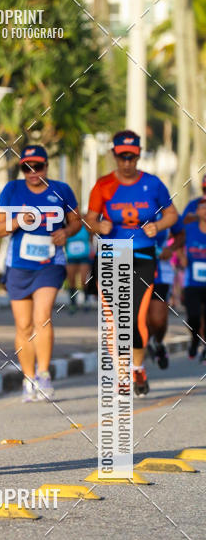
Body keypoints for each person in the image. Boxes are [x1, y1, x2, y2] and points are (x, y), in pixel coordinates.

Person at [85, 130, 178, 396]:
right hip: (112, 255)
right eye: (123, 157)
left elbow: (172, 214)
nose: (127, 163)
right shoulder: (103, 185)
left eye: (132, 157)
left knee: (136, 318)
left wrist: (158, 225)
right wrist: (97, 225)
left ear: (138, 157)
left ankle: (137, 367)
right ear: (114, 155)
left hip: (143, 257)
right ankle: (123, 376)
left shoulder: (153, 184)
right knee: (114, 319)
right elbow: (89, 220)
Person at [0, 144, 81, 402]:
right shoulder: (12, 190)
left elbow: (77, 220)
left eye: (38, 167)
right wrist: (18, 221)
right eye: (27, 168)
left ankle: (44, 374)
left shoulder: (61, 190)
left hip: (50, 263)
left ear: (46, 166)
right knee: (23, 325)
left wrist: (66, 232)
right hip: (19, 264)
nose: (32, 173)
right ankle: (28, 378)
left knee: (42, 317)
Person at [146, 220, 184, 368]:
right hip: (131, 270)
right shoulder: (125, 204)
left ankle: (158, 342)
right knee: (137, 318)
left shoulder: (166, 210)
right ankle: (135, 370)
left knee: (158, 319)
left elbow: (181, 234)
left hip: (160, 274)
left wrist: (171, 249)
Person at [182, 197, 206, 360]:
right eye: (202, 207)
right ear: (197, 211)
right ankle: (194, 339)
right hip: (192, 282)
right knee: (193, 316)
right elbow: (175, 242)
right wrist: (180, 256)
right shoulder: (189, 229)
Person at [64, 221, 94, 314]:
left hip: (84, 257)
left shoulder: (86, 227)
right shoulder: (67, 228)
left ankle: (86, 301)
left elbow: (91, 240)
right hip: (71, 257)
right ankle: (73, 303)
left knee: (83, 280)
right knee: (71, 281)